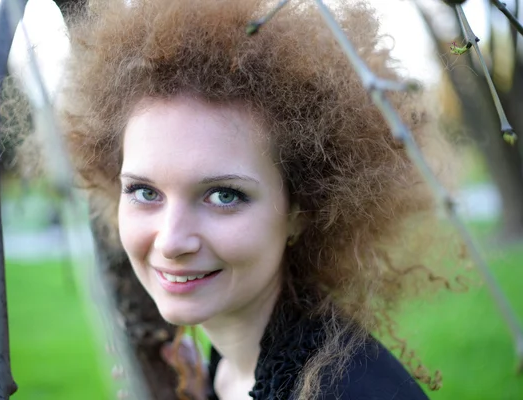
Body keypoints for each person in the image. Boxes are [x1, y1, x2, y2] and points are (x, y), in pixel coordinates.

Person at [57, 0, 459, 398]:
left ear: (300, 210)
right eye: (144, 192)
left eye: (223, 195)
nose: (171, 241)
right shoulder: (230, 369)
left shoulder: (353, 392)